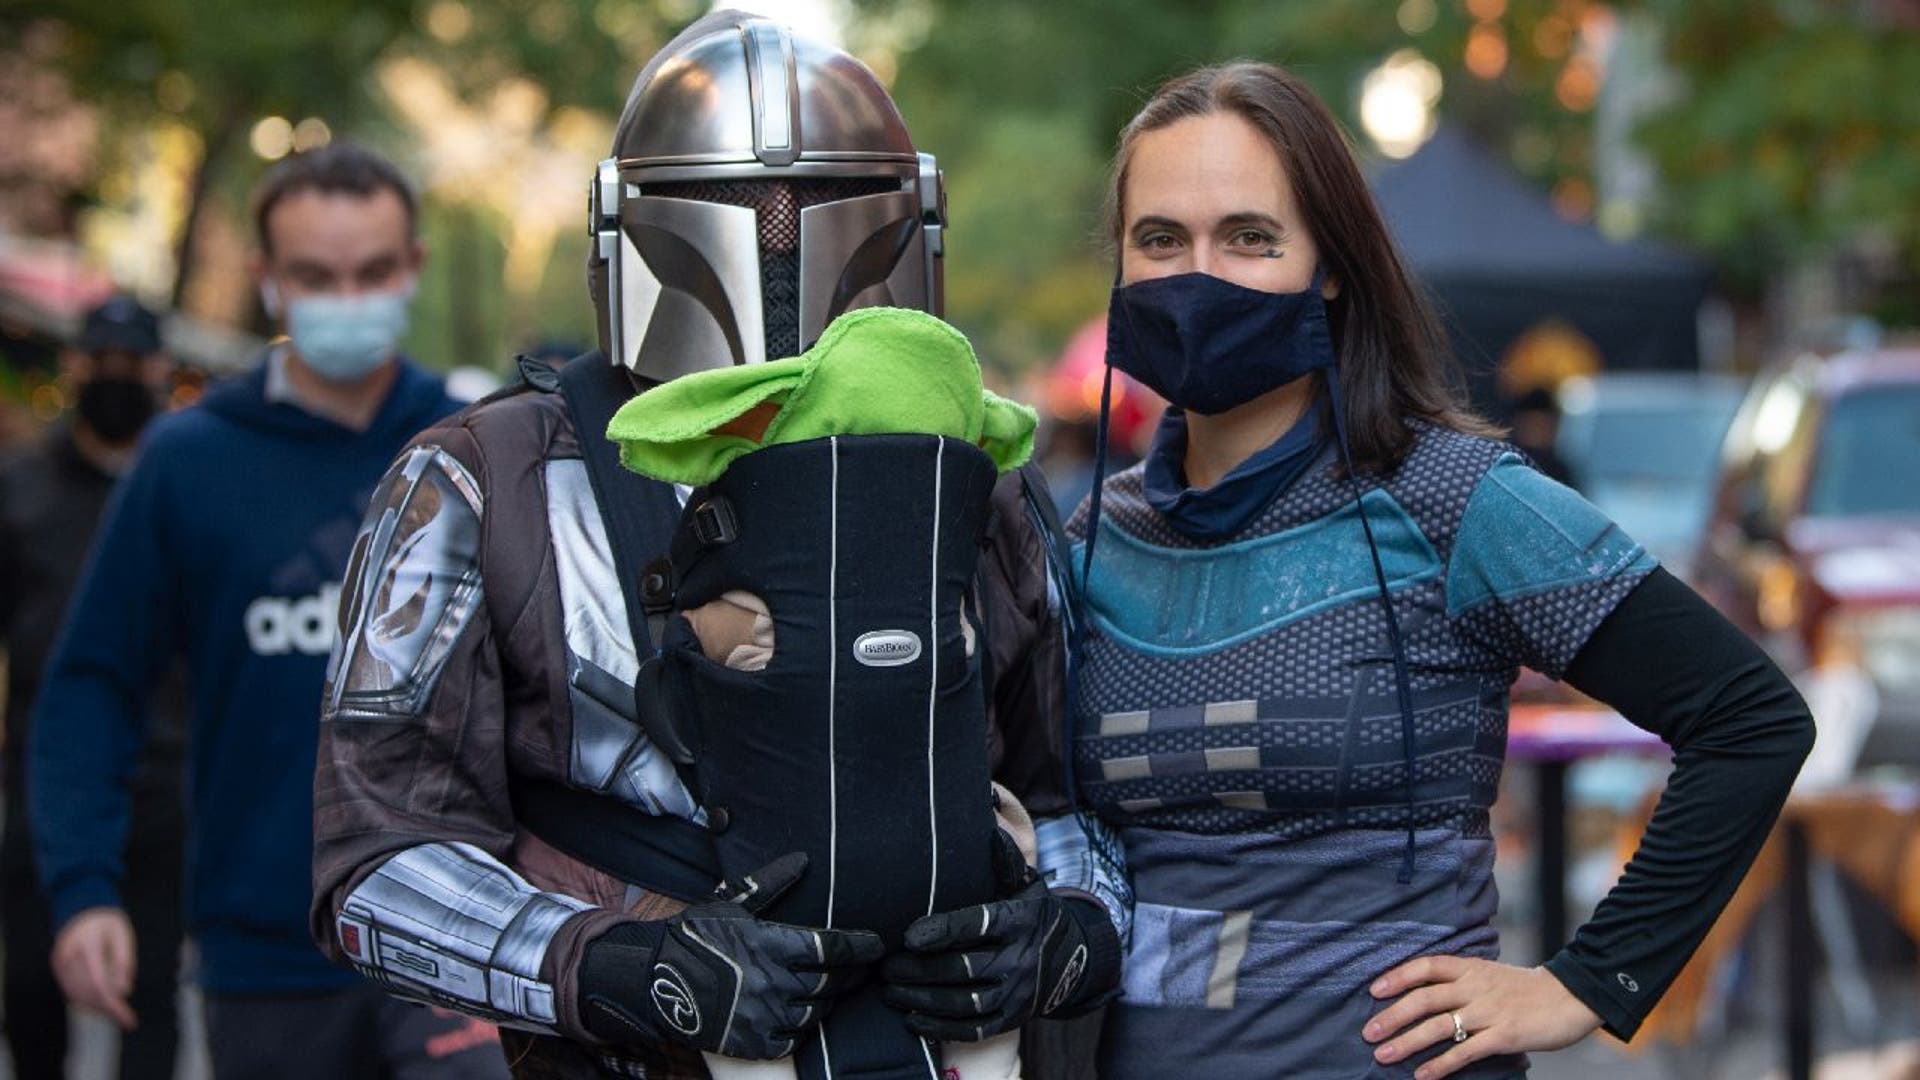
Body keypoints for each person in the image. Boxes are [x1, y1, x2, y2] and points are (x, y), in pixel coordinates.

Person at [308, 13, 1125, 1080]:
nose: (779, 242)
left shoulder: (981, 473)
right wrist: (622, 966)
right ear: (627, 223)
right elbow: (371, 860)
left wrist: (1062, 934)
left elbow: (1078, 796)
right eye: (735, 207)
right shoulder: (476, 482)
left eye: (822, 203)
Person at [1067, 63, 1813, 1079]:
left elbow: (1748, 719)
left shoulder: (1453, 500)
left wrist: (1590, 982)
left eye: (1250, 236)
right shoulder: (1091, 542)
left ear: (1329, 265)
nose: (1201, 275)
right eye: (1162, 239)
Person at [26, 143, 497, 1079]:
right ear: (267, 280)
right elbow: (91, 686)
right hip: (265, 956)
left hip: (459, 939)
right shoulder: (187, 461)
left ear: (413, 268)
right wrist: (84, 888)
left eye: (372, 271)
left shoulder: (478, 445)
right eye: (316, 276)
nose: (347, 296)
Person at [1, 296, 185, 1079]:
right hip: (43, 782)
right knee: (32, 991)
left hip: (166, 787)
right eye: (100, 363)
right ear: (74, 367)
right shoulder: (21, 490)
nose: (115, 380)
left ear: (160, 373)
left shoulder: (182, 484)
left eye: (131, 366)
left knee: (150, 1002)